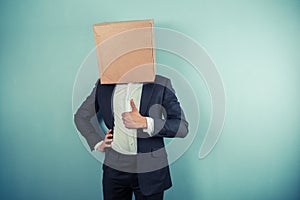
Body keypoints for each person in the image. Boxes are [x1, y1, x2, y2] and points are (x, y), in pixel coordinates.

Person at [74, 75, 188, 200]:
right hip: (114, 168)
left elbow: (181, 127)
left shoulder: (161, 83)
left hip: (150, 168)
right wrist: (97, 142)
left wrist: (146, 122)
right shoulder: (104, 84)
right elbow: (81, 116)